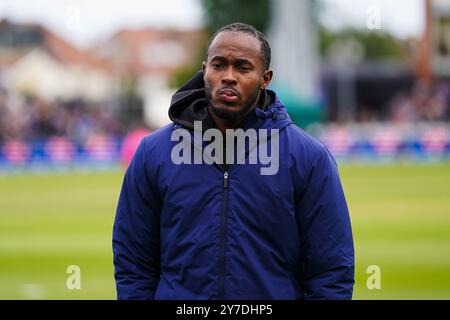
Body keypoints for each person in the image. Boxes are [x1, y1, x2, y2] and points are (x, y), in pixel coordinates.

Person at [113, 23, 354, 300]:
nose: (228, 76)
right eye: (219, 65)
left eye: (242, 67)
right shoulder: (153, 152)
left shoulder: (309, 158)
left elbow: (332, 270)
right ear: (205, 70)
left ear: (265, 78)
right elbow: (133, 261)